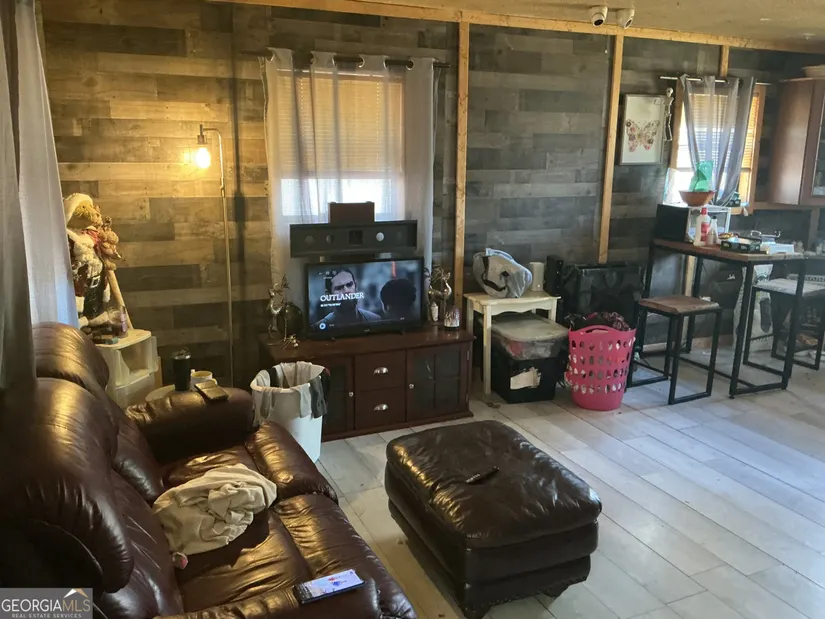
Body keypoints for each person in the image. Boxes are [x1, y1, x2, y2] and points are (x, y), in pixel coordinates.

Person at [313, 268, 380, 329]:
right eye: (339, 288)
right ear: (329, 295)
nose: (346, 291)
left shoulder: (374, 320)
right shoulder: (319, 327)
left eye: (349, 285)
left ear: (356, 287)